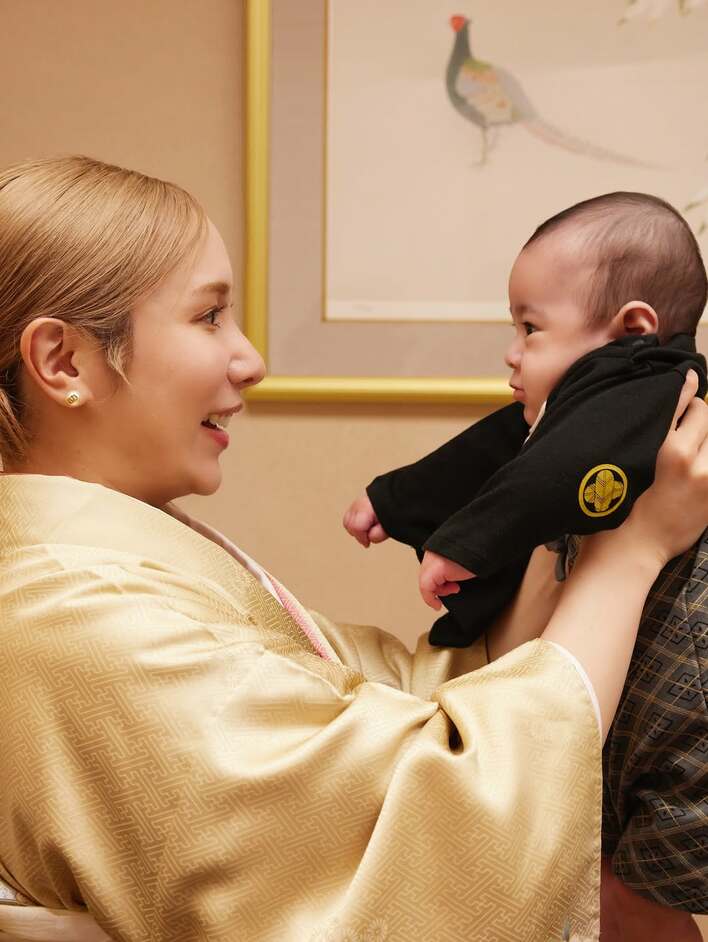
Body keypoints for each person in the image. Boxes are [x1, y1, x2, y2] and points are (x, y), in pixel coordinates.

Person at [0, 158, 706, 942]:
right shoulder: (78, 618)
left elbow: (393, 703)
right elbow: (440, 809)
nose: (251, 360)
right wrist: (631, 552)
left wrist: (578, 527)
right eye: (208, 317)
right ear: (64, 362)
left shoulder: (96, 568)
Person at [343, 193, 708, 939]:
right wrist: (395, 499)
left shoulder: (650, 387)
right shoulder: (590, 401)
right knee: (605, 871)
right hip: (636, 693)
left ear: (632, 328)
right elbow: (498, 451)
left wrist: (464, 544)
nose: (513, 352)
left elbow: (546, 475)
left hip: (686, 687)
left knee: (633, 893)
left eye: (531, 328)